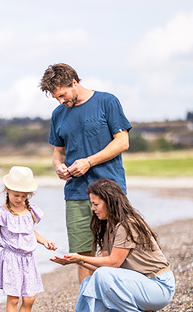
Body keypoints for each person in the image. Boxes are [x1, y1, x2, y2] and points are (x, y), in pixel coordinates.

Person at [39, 63, 132, 284]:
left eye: (62, 94)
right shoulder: (58, 114)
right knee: (82, 256)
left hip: (111, 191)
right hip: (75, 193)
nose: (60, 101)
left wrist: (88, 162)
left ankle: (127, 306)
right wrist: (58, 167)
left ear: (74, 82)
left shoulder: (107, 102)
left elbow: (122, 142)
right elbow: (58, 154)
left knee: (116, 252)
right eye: (55, 97)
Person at [51, 178, 176, 312]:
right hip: (140, 284)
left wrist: (81, 259)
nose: (92, 209)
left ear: (109, 202)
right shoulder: (108, 226)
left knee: (102, 275)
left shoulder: (127, 224)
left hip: (158, 285)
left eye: (96, 204)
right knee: (88, 283)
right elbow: (104, 267)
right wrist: (75, 262)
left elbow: (113, 263)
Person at [0, 166, 57, 312]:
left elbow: (30, 232)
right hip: (10, 258)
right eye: (16, 195)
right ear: (7, 191)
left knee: (30, 298)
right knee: (13, 298)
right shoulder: (1, 213)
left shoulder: (30, 210)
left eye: (24, 196)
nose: (20, 199)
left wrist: (44, 241)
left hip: (28, 259)